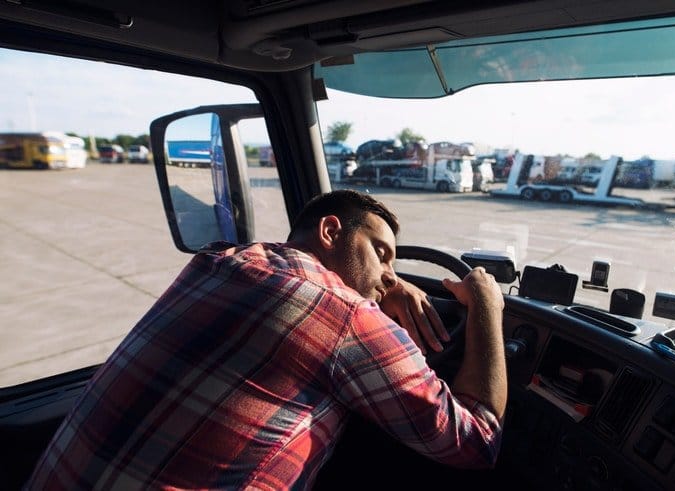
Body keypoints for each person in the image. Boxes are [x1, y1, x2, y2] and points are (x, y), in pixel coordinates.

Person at [25, 189, 506, 490]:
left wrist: (386, 281)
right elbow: (476, 441)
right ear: (331, 230)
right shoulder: (345, 315)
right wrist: (486, 302)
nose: (388, 276)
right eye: (382, 254)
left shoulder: (217, 262)